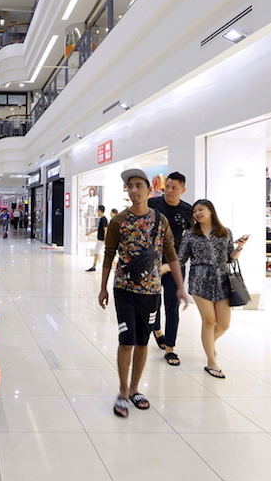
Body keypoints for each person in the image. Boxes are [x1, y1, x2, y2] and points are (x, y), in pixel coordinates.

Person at [99, 169, 188, 418]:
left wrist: (180, 286)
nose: (135, 190)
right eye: (130, 186)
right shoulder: (119, 221)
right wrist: (103, 287)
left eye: (139, 185)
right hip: (124, 290)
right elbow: (108, 254)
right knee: (126, 340)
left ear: (149, 189)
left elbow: (170, 252)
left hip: (151, 291)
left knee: (142, 341)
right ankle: (123, 390)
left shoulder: (160, 220)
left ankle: (136, 388)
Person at [178, 199, 248, 379]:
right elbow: (181, 258)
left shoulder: (225, 233)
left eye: (201, 209)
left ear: (210, 211)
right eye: (195, 211)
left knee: (224, 324)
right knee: (209, 321)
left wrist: (239, 247)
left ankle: (208, 343)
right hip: (199, 279)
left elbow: (230, 258)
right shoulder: (190, 234)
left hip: (222, 279)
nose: (197, 213)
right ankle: (211, 361)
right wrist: (165, 267)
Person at [147, 171, 193, 366]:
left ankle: (170, 348)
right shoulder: (153, 205)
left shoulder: (188, 211)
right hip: (153, 263)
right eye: (168, 187)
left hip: (175, 265)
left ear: (183, 190)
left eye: (175, 188)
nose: (170, 191)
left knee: (172, 306)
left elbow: (192, 238)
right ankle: (157, 329)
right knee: (153, 303)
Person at [85, 205, 107, 272]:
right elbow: (99, 228)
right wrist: (90, 232)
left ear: (100, 211)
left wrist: (105, 239)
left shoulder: (104, 219)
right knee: (97, 251)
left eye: (98, 211)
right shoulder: (102, 219)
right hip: (100, 238)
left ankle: (94, 266)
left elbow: (105, 229)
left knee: (96, 251)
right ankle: (95, 264)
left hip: (101, 239)